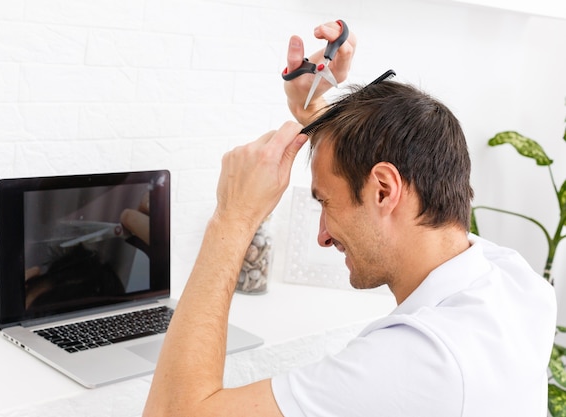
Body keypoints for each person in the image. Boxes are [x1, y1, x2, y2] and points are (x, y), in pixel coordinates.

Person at [142, 21, 557, 416]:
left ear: (383, 190)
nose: (322, 236)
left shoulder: (417, 363)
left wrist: (232, 218)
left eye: (325, 202)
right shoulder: (514, 283)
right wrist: (316, 114)